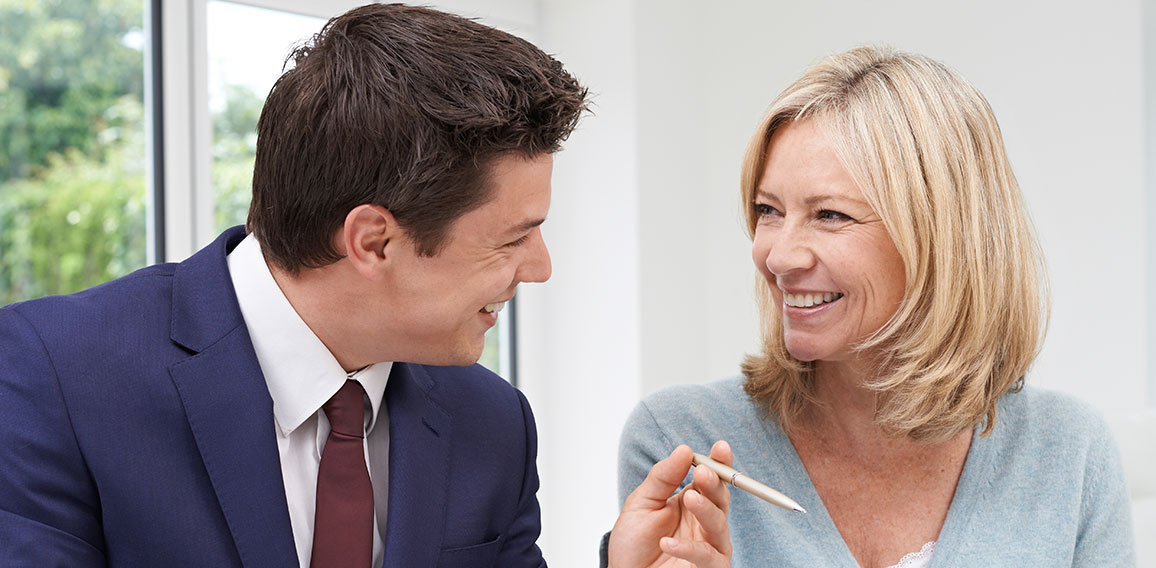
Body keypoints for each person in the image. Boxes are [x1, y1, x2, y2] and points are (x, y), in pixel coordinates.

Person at [0, 4, 727, 566]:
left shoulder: (493, 424)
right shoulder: (49, 375)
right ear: (373, 241)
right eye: (513, 237)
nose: (539, 267)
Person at [617, 46, 1135, 567]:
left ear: (941, 239)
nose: (777, 255)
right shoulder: (678, 441)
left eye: (830, 215)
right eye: (767, 210)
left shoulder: (1071, 453)